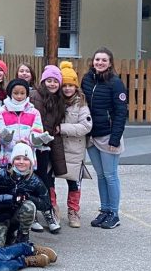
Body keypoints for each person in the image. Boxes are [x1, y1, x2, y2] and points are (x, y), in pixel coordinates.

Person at [81, 48, 128, 229]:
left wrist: (115, 139)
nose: (99, 63)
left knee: (110, 175)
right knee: (100, 175)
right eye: (97, 59)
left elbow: (121, 111)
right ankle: (105, 210)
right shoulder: (87, 79)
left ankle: (114, 213)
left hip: (108, 136)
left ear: (110, 63)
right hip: (92, 135)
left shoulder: (116, 83)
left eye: (103, 60)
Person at [0, 143, 50, 246]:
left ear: (31, 162)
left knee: (29, 205)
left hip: (18, 217)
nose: (21, 162)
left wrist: (28, 197)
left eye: (26, 159)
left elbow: (46, 204)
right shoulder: (1, 174)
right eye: (18, 158)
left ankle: (22, 234)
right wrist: (12, 198)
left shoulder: (35, 180)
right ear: (13, 161)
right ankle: (6, 234)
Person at [31, 65, 68, 234]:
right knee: (30, 180)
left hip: (46, 146)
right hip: (31, 145)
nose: (52, 84)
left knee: (45, 181)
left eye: (55, 81)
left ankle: (48, 212)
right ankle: (31, 216)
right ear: (43, 81)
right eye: (49, 81)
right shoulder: (34, 96)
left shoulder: (59, 100)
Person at [58, 61, 92, 228]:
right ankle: (52, 209)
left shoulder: (81, 104)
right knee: (49, 180)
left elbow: (85, 126)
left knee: (74, 182)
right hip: (57, 147)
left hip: (74, 149)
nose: (67, 88)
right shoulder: (55, 101)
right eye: (64, 85)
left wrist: (61, 128)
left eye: (71, 85)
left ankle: (73, 211)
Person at [0, 78, 48, 167]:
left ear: (27, 94)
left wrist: (36, 140)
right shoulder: (2, 111)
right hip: (8, 159)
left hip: (27, 159)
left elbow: (37, 132)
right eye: (16, 93)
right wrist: (5, 138)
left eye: (22, 93)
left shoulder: (34, 112)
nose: (19, 96)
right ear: (10, 93)